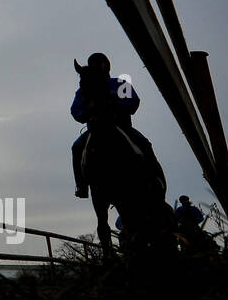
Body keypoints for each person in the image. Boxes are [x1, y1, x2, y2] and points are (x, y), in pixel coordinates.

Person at [69, 52, 166, 199]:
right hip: (94, 128)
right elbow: (76, 110)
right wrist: (87, 113)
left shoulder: (120, 83)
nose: (97, 66)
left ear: (106, 65)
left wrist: (116, 106)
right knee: (76, 148)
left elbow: (133, 102)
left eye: (99, 63)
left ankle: (157, 179)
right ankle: (82, 186)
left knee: (145, 144)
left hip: (123, 126)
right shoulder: (84, 88)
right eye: (93, 64)